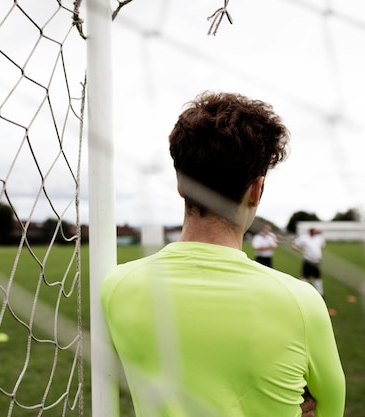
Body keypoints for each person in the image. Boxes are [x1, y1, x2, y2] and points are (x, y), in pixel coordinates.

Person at [101, 91, 345, 417]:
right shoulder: (301, 302)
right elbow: (331, 409)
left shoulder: (116, 286)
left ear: (180, 185)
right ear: (256, 191)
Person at [294, 228, 326, 296]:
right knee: (305, 276)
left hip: (316, 261)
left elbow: (322, 246)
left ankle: (320, 293)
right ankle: (302, 292)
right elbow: (295, 246)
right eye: (314, 232)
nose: (316, 233)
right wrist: (302, 252)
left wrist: (318, 254)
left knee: (317, 276)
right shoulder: (304, 238)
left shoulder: (319, 238)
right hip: (308, 260)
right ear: (310, 232)